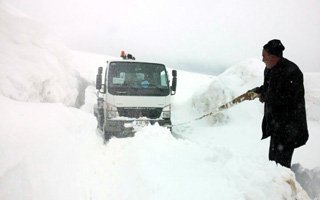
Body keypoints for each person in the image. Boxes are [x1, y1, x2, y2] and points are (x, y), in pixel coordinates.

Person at [250, 39, 309, 168]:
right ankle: (276, 184)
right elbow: (269, 88)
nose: (262, 60)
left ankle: (285, 186)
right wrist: (258, 91)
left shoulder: (292, 72)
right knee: (273, 163)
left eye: (264, 56)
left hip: (289, 127)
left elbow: (286, 100)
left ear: (273, 57)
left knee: (281, 165)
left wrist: (265, 96)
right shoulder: (269, 69)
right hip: (276, 125)